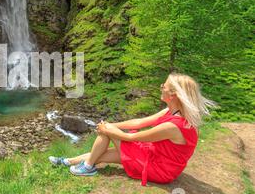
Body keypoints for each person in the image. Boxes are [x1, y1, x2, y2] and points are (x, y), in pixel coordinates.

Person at [49, 72, 218, 186]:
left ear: (173, 94)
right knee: (104, 152)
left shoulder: (173, 126)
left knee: (107, 133)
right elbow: (139, 122)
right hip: (156, 156)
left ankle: (87, 167)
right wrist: (112, 125)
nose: (161, 87)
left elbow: (133, 138)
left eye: (164, 86)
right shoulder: (173, 111)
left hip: (160, 168)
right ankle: (69, 162)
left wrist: (108, 129)